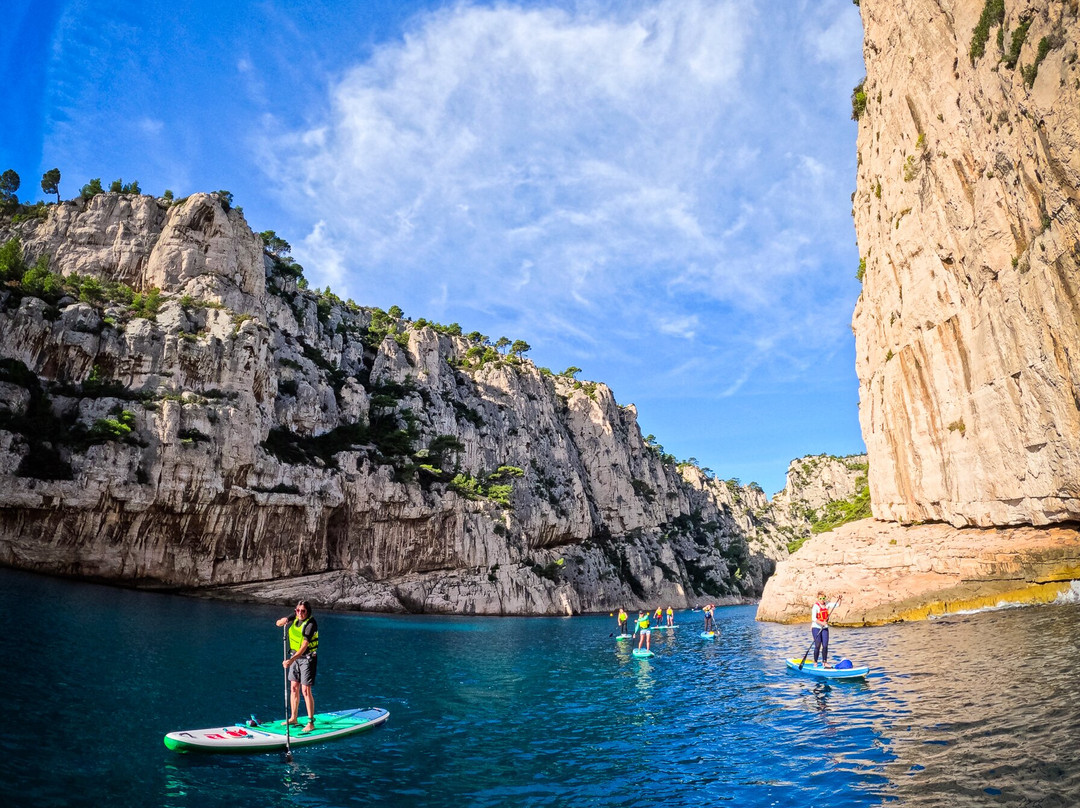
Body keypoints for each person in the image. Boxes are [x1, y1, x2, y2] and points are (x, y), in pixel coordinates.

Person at [276, 600, 319, 732]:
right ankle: (293, 717)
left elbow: (304, 646)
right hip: (295, 658)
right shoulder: (295, 616)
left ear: (308, 612)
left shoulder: (311, 624)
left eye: (303, 611)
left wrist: (290, 660)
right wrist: (283, 621)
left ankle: (310, 722)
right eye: (297, 610)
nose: (300, 613)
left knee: (305, 690)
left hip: (307, 659)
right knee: (294, 687)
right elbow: (278, 623)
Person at [811, 591, 843, 667]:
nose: (822, 600)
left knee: (825, 645)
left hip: (825, 628)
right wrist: (822, 623)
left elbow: (837, 605)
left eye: (823, 598)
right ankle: (815, 661)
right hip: (816, 627)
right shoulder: (816, 606)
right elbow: (813, 618)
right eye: (820, 598)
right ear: (818, 598)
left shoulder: (827, 604)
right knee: (817, 645)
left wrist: (840, 599)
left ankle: (824, 662)